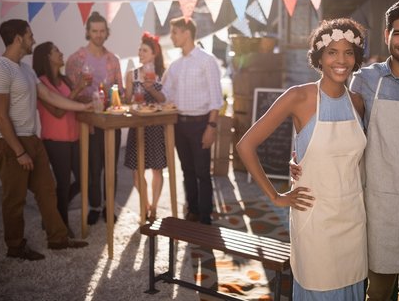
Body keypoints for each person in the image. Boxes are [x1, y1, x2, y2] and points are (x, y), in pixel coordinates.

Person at [292, 0, 399, 301]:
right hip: (375, 209)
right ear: (387, 36)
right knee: (376, 294)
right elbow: (329, 121)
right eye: (398, 33)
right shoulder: (364, 81)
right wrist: (299, 158)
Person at [237, 18, 368, 300]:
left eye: (348, 52)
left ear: (356, 57)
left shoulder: (357, 102)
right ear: (319, 57)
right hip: (315, 220)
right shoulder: (298, 97)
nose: (341, 59)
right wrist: (275, 196)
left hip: (353, 220)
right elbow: (245, 145)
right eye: (332, 52)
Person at [0, 19, 89, 261]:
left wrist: (84, 105)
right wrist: (19, 151)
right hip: (9, 140)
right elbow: (0, 116)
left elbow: (51, 97)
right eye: (30, 35)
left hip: (32, 138)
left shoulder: (26, 69)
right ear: (19, 38)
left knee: (47, 190)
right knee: (15, 197)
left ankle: (58, 239)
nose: (34, 39)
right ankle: (15, 246)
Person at [162, 16, 223, 225]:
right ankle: (193, 211)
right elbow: (165, 94)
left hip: (201, 124)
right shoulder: (175, 65)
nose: (171, 37)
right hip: (179, 124)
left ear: (186, 33)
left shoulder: (207, 60)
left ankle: (206, 218)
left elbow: (216, 99)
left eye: (174, 32)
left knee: (203, 173)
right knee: (186, 170)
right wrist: (149, 85)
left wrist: (211, 127)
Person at [65, 11, 124, 225]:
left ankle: (109, 207)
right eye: (94, 31)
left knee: (111, 167)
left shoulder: (113, 60)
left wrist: (115, 95)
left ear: (107, 33)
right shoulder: (76, 59)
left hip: (111, 121)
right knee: (92, 168)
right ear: (88, 33)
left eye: (102, 31)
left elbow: (121, 92)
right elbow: (68, 93)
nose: (98, 35)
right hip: (87, 123)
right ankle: (94, 206)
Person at [32, 42, 88, 237]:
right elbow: (57, 111)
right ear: (47, 57)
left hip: (74, 138)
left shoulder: (64, 80)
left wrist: (87, 97)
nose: (61, 52)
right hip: (55, 141)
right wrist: (77, 90)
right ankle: (61, 226)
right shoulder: (41, 83)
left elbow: (73, 103)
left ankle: (52, 213)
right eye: (56, 50)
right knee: (63, 184)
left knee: (83, 180)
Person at [124, 32, 167, 221]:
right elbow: (126, 101)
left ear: (154, 54)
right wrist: (126, 97)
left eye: (145, 50)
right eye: (139, 50)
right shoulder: (132, 74)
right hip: (137, 126)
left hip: (156, 127)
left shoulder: (162, 75)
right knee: (136, 172)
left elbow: (165, 100)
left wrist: (150, 88)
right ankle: (145, 204)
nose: (140, 53)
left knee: (157, 169)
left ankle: (154, 208)